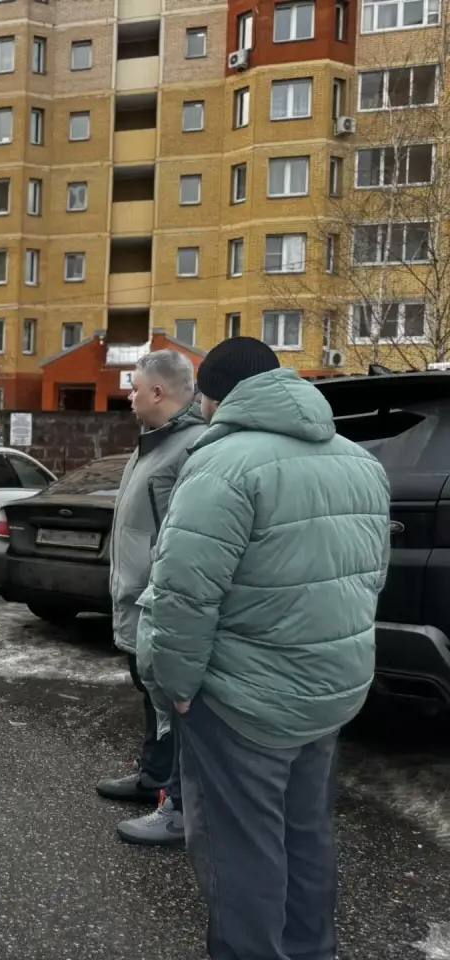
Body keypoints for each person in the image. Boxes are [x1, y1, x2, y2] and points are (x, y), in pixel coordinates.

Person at [138, 337, 389, 960]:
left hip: (243, 704)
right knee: (305, 839)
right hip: (330, 692)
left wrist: (176, 688)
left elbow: (183, 596)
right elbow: (371, 577)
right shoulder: (360, 461)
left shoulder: (222, 464)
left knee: (241, 855)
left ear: (214, 396)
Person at [97, 350, 204, 847]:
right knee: (150, 694)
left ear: (159, 392)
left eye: (136, 386)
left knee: (173, 701)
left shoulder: (190, 449)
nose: (129, 394)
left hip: (159, 604)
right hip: (137, 601)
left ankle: (178, 804)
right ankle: (153, 779)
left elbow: (185, 540)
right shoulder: (153, 445)